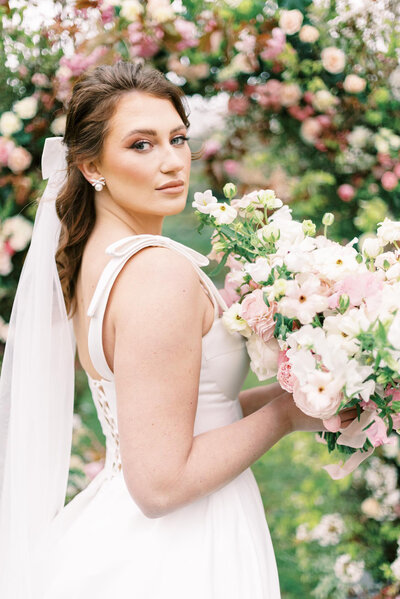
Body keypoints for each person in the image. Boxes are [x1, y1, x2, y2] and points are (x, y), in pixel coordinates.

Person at [0, 61, 358, 599]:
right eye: (141, 145)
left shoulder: (94, 262)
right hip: (178, 551)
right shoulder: (155, 273)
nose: (171, 162)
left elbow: (183, 410)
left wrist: (307, 395)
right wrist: (285, 416)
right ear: (91, 164)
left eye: (178, 138)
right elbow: (161, 485)